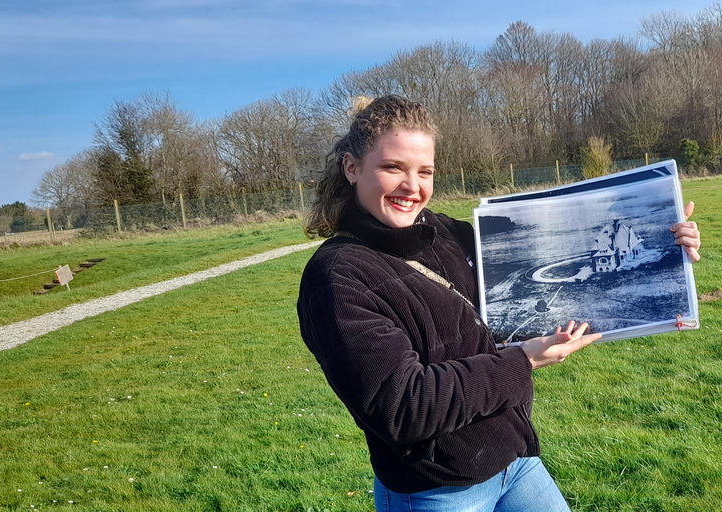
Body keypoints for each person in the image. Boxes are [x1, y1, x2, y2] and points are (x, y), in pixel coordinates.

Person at [296, 95, 701, 512]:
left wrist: (665, 249)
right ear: (352, 167)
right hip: (436, 490)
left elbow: (546, 271)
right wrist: (521, 361)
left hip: (516, 461)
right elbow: (403, 408)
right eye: (392, 167)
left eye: (425, 171)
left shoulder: (447, 233)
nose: (412, 187)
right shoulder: (337, 278)